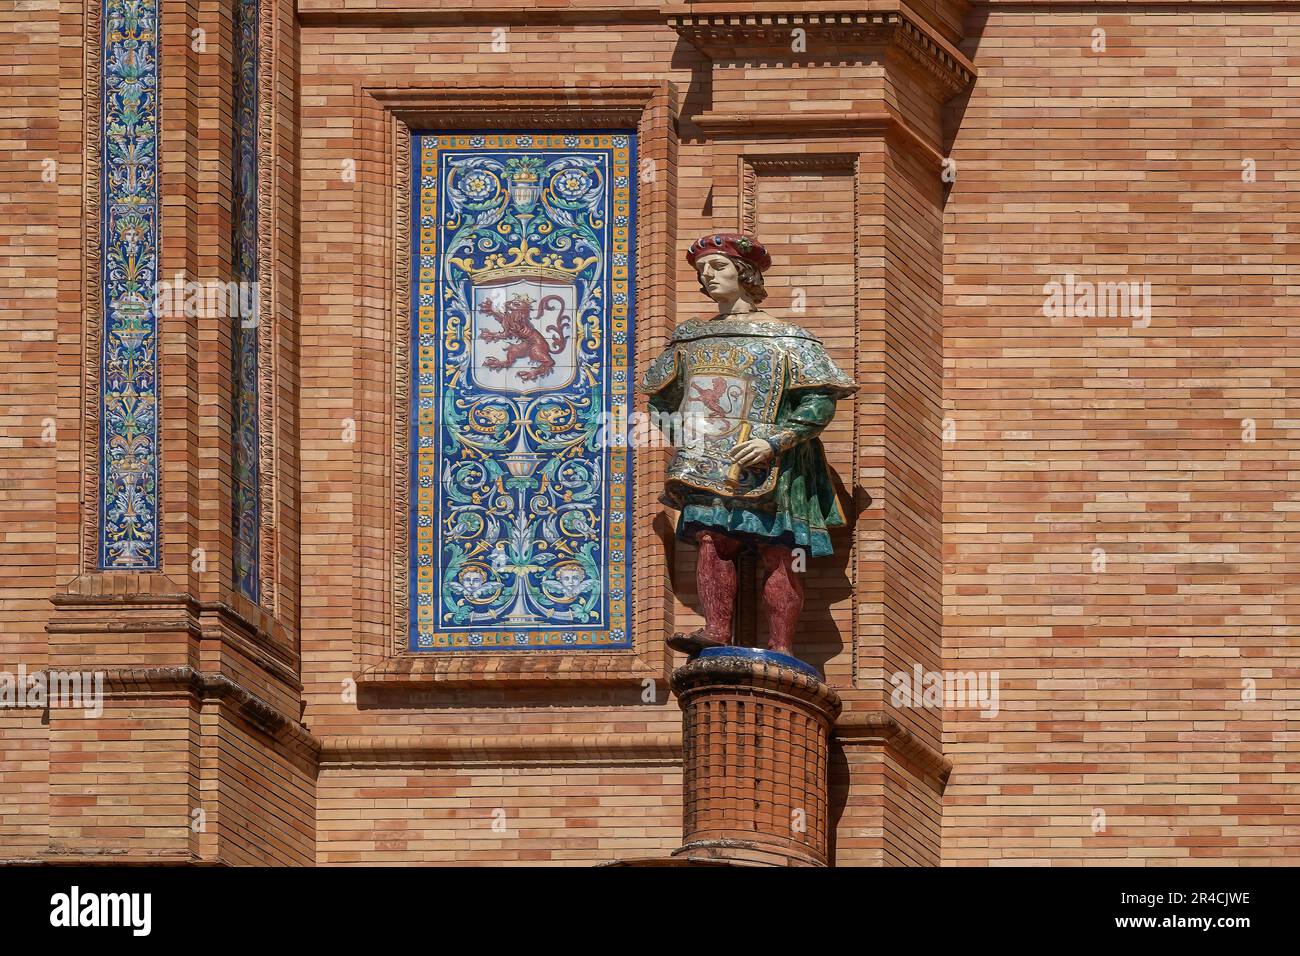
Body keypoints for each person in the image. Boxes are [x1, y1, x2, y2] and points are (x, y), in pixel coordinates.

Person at [639, 233, 856, 657]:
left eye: (718, 267)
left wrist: (775, 440)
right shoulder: (690, 340)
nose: (708, 276)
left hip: (776, 464)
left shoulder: (788, 339)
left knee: (781, 550)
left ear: (745, 273)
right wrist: (690, 437)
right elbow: (661, 397)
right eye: (702, 271)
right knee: (711, 540)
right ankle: (716, 629)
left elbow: (818, 400)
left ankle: (781, 648)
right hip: (709, 463)